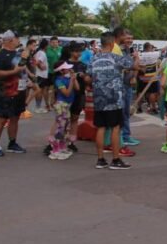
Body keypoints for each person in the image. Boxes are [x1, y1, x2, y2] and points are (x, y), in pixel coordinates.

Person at [88, 32, 138, 170]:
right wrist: (136, 57)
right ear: (111, 44)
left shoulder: (93, 59)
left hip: (98, 98)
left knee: (101, 127)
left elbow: (88, 77)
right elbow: (133, 66)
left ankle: (100, 159)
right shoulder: (116, 58)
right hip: (114, 98)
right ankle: (115, 159)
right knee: (116, 127)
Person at [0, 30, 30, 157]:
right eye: (17, 39)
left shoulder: (18, 54)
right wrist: (13, 72)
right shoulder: (0, 55)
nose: (19, 41)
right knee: (3, 118)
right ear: (11, 40)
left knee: (15, 117)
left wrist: (24, 59)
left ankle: (12, 143)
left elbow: (22, 69)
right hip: (5, 91)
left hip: (19, 90)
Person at [48, 62, 79, 160]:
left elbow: (77, 88)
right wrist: (71, 81)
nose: (69, 70)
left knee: (65, 126)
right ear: (61, 71)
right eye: (66, 69)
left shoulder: (68, 78)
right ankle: (55, 149)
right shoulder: (59, 81)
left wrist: (73, 78)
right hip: (61, 105)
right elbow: (66, 93)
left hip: (67, 106)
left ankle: (62, 146)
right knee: (60, 127)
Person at [33, 38, 50, 113]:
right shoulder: (42, 53)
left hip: (39, 74)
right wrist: (41, 67)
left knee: (39, 90)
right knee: (40, 91)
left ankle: (38, 106)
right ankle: (38, 107)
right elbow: (37, 62)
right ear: (46, 45)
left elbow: (35, 61)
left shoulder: (38, 52)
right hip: (41, 75)